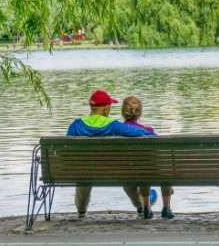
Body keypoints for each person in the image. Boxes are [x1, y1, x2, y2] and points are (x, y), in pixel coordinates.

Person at [66, 90, 156, 219]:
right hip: (115, 172)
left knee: (83, 173)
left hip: (84, 172)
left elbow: (66, 154)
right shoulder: (114, 126)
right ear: (106, 108)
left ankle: (81, 210)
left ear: (91, 106)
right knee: (126, 174)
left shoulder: (76, 125)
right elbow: (145, 134)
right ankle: (141, 206)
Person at [121, 95, 175, 219]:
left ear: (123, 112)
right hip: (147, 170)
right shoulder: (148, 131)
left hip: (125, 172)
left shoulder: (116, 130)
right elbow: (158, 155)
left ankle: (146, 207)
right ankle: (166, 208)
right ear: (140, 113)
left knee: (143, 170)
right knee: (159, 169)